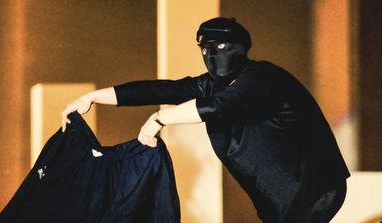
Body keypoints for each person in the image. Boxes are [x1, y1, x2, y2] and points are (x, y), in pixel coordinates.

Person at [62, 17, 350, 223]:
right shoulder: (211, 84)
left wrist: (160, 118)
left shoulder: (263, 78)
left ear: (241, 46)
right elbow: (158, 88)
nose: (211, 55)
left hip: (314, 192)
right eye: (204, 49)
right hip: (278, 200)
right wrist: (92, 97)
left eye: (221, 46)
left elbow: (216, 108)